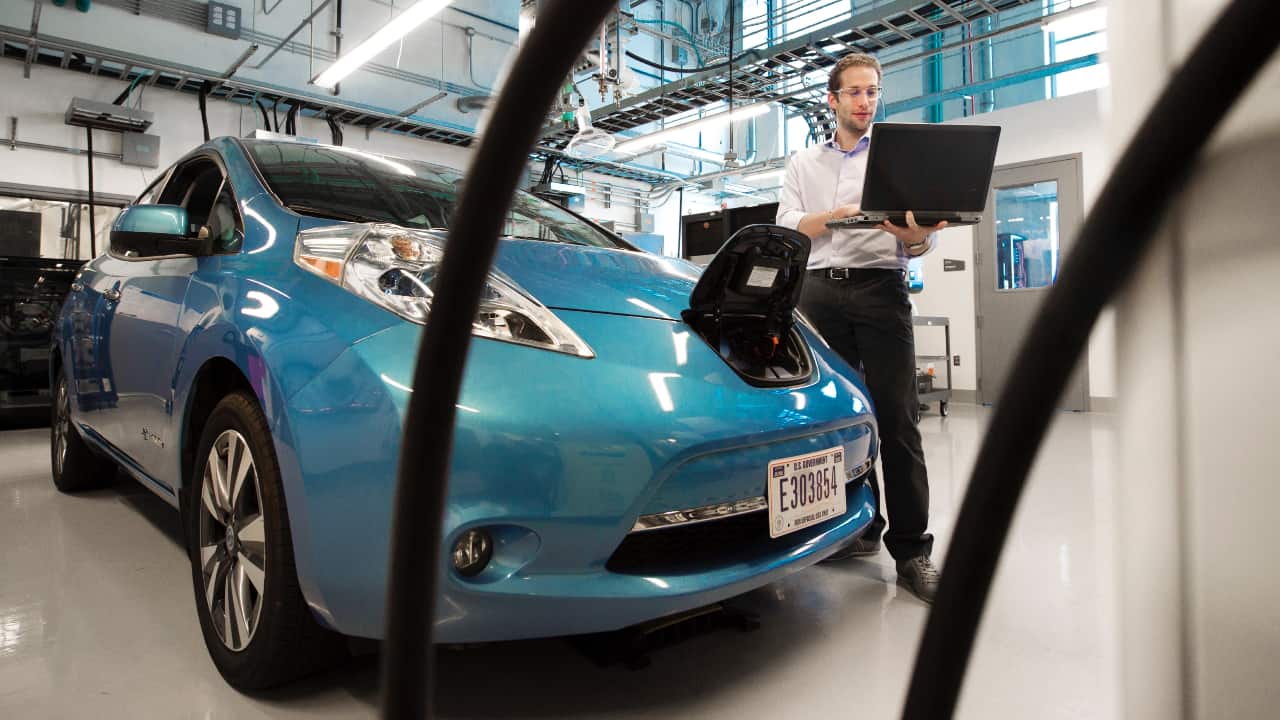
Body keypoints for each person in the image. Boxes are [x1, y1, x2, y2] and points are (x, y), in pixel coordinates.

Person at [776, 52, 942, 604]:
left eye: (873, 92)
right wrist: (839, 216)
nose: (866, 101)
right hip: (818, 291)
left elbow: (919, 242)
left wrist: (914, 233)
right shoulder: (804, 163)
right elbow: (788, 226)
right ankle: (861, 527)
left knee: (897, 417)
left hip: (879, 286)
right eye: (855, 92)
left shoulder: (896, 161)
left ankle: (913, 551)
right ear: (833, 99)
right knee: (840, 418)